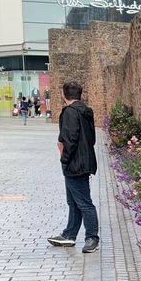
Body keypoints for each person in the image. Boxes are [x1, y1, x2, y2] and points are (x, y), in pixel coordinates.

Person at [48, 80, 100, 254]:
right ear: (81, 94)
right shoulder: (86, 112)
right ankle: (69, 234)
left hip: (74, 163)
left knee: (84, 202)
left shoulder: (70, 112)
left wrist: (65, 159)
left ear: (63, 95)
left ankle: (92, 237)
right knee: (74, 202)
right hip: (84, 161)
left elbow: (69, 139)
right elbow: (92, 138)